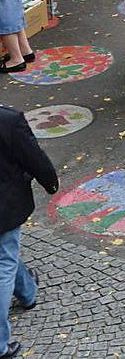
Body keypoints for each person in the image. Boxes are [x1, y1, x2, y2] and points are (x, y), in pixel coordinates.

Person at [0, 103, 57, 356]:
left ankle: (27, 290)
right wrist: (51, 183)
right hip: (4, 205)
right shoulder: (7, 120)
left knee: (5, 253)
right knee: (4, 260)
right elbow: (33, 156)